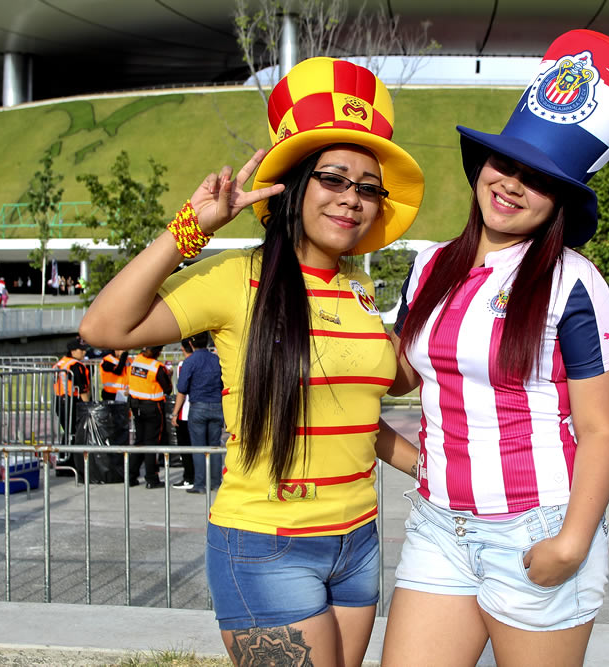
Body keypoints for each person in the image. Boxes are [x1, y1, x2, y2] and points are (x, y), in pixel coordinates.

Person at [78, 57, 423, 666]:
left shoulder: (361, 290)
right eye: (334, 179)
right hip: (268, 544)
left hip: (358, 541)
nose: (352, 199)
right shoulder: (237, 278)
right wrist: (192, 229)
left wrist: (437, 467)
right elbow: (104, 327)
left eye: (369, 188)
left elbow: (365, 412)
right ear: (293, 185)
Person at [382, 30, 609, 667]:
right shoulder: (428, 267)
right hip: (438, 527)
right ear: (481, 165)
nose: (511, 185)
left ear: (560, 201)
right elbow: (401, 377)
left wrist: (572, 542)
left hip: (537, 527)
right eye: (504, 164)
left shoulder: (573, 282)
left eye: (538, 180)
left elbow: (601, 430)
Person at [174, 331, 224, 495]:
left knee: (198, 447)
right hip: (217, 405)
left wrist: (174, 413)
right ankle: (216, 482)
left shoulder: (190, 362)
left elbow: (182, 387)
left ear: (190, 344)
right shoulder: (217, 360)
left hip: (198, 406)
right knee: (215, 445)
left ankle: (200, 484)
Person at [126, 345, 172, 488]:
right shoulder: (157, 367)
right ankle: (152, 478)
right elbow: (168, 389)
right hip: (152, 408)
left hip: (136, 405)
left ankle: (131, 476)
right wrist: (169, 375)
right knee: (152, 443)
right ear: (157, 352)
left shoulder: (137, 360)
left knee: (140, 440)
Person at [52, 338, 90, 448]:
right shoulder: (76, 365)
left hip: (59, 400)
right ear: (73, 351)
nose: (84, 352)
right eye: (81, 350)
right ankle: (72, 456)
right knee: (75, 432)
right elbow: (82, 389)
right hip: (72, 401)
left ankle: (65, 455)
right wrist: (87, 406)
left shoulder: (61, 363)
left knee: (69, 431)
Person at [169, 338, 195, 490]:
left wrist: (174, 413)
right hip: (205, 407)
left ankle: (189, 477)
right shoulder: (211, 360)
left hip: (186, 411)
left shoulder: (184, 365)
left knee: (186, 447)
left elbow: (182, 390)